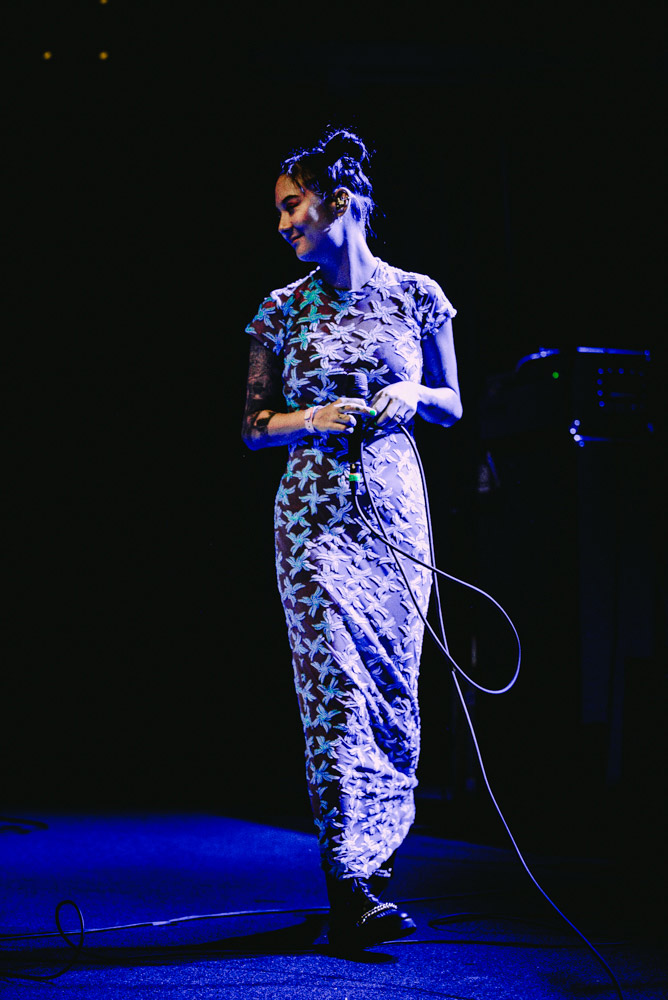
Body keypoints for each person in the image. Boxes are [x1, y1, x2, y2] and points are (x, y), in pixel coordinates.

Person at [241, 127, 462, 950]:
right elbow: (254, 426)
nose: (282, 223)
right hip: (314, 521)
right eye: (279, 211)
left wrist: (414, 394)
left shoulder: (417, 295)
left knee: (393, 690)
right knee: (335, 688)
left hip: (396, 515)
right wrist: (312, 416)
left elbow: (454, 402)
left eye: (291, 205)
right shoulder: (280, 309)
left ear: (338, 203)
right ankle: (347, 880)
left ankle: (378, 859)